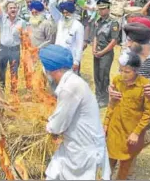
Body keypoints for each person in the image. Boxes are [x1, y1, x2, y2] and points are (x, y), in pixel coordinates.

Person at [38, 44, 110, 180]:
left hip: (84, 149)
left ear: (53, 69)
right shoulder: (73, 81)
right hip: (75, 144)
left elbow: (58, 125)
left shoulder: (70, 88)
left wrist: (48, 127)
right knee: (54, 173)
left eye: (45, 67)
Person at [104, 51, 150, 180]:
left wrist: (136, 133)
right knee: (107, 165)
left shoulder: (145, 85)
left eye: (127, 72)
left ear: (136, 71)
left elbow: (148, 113)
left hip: (130, 134)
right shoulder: (117, 80)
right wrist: (105, 124)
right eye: (121, 70)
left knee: (124, 168)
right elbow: (112, 104)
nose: (123, 75)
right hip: (114, 130)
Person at [0, 0, 26, 96]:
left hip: (15, 50)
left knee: (14, 72)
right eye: (11, 8)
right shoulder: (2, 17)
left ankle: (14, 92)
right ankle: (1, 90)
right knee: (1, 70)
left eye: (15, 8)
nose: (13, 9)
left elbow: (25, 38)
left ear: (17, 9)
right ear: (7, 10)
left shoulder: (22, 22)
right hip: (3, 48)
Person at [48, 0, 84, 75]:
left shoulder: (78, 25)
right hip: (58, 55)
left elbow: (79, 45)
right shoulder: (60, 20)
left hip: (70, 57)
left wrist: (77, 61)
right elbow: (51, 6)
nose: (65, 14)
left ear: (72, 12)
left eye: (67, 13)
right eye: (63, 12)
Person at [93, 0, 119, 108]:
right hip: (97, 51)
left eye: (103, 9)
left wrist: (102, 52)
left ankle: (104, 99)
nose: (101, 11)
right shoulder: (98, 21)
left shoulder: (113, 22)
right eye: (99, 9)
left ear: (108, 9)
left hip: (106, 52)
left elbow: (114, 41)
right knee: (97, 75)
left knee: (104, 76)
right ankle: (98, 96)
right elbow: (95, 36)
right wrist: (94, 49)